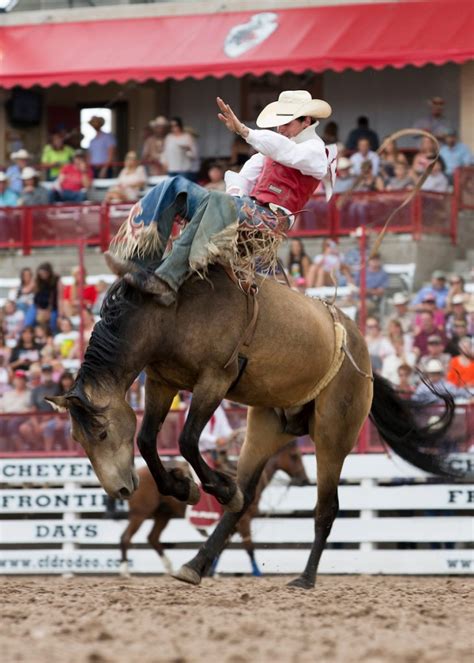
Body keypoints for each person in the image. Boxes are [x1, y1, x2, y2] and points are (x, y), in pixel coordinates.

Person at [107, 91, 336, 306]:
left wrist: (245, 131)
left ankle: (167, 280)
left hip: (270, 221)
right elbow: (241, 179)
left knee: (217, 200)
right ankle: (139, 261)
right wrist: (234, 201)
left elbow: (288, 153)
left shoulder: (315, 151)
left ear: (306, 121)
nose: (280, 128)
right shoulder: (271, 150)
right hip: (247, 210)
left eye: (286, 123)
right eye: (279, 123)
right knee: (174, 186)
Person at [24, 262, 59, 331]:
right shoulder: (37, 280)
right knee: (28, 322)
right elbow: (26, 291)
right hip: (37, 306)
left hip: (51, 308)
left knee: (53, 323)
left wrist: (48, 311)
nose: (42, 275)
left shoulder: (55, 281)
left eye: (44, 273)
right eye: (41, 274)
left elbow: (56, 299)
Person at [162, 117, 199, 181]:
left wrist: (187, 149)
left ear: (180, 125)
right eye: (172, 126)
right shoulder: (169, 137)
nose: (174, 128)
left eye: (176, 125)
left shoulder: (187, 137)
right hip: (171, 169)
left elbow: (194, 154)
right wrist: (164, 163)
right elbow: (165, 152)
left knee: (182, 189)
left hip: (184, 169)